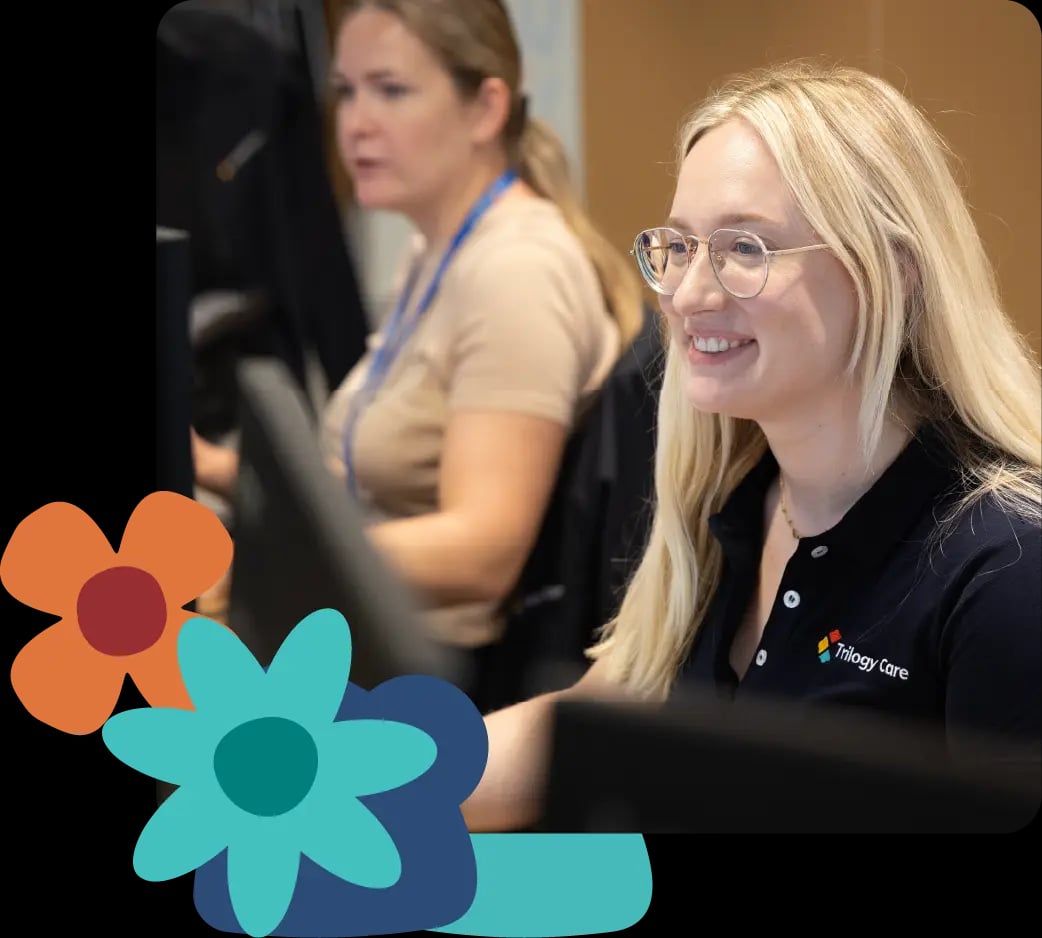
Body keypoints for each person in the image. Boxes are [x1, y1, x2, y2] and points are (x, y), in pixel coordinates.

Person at [460, 59, 1042, 832]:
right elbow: (599, 717)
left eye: (744, 249)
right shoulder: (732, 500)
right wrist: (358, 778)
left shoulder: (1006, 569)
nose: (690, 294)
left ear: (890, 275)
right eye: (680, 246)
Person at [192, 0, 645, 694]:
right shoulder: (436, 246)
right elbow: (377, 480)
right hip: (376, 642)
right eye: (346, 91)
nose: (355, 123)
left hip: (437, 680)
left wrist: (268, 560)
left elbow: (483, 550)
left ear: (486, 108)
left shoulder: (515, 269)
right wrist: (219, 466)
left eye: (392, 90)